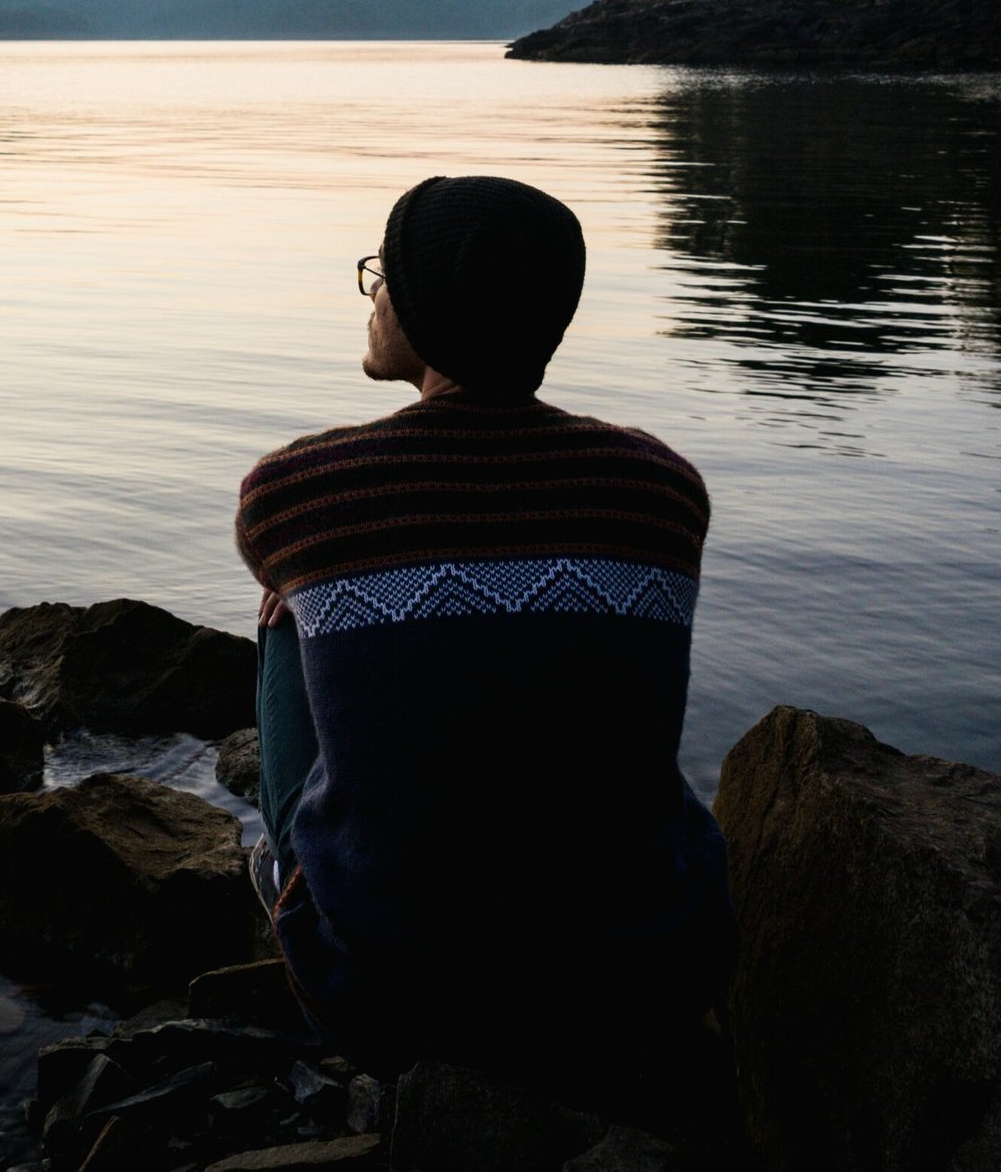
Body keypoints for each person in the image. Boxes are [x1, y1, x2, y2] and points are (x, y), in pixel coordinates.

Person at [234, 174, 735, 1091]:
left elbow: (300, 573)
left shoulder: (301, 488)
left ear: (425, 303)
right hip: (645, 985)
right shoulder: (661, 485)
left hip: (390, 1005)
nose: (373, 292)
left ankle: (286, 868)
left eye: (384, 273)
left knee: (285, 613)